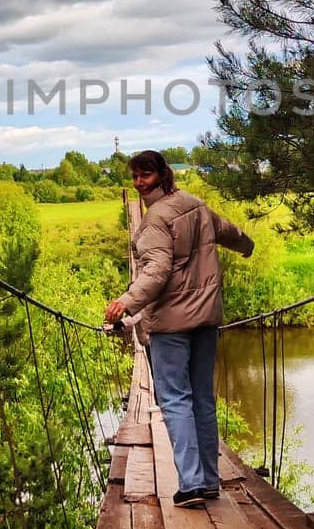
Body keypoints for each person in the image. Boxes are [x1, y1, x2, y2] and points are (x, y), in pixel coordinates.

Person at [106, 149, 253, 507]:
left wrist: (126, 303)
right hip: (205, 317)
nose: (139, 183)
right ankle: (209, 479)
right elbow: (227, 231)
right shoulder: (194, 205)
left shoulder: (154, 220)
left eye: (145, 176)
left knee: (175, 399)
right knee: (202, 398)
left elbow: (156, 271)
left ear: (161, 174)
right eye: (135, 177)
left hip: (171, 323)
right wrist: (246, 246)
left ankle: (192, 484)